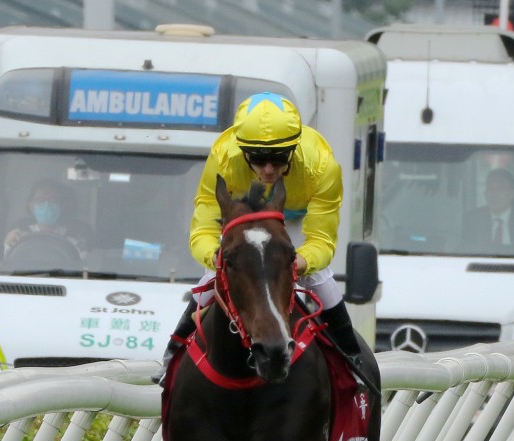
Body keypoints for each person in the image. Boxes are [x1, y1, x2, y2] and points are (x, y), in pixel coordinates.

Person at [153, 92, 376, 386]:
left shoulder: (323, 165)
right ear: (243, 151)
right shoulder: (223, 157)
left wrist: (300, 261)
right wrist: (217, 257)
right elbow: (203, 227)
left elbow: (322, 239)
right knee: (212, 276)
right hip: (244, 220)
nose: (268, 169)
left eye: (278, 158)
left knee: (320, 276)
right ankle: (172, 356)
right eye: (258, 159)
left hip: (293, 219)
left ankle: (352, 359)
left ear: (293, 149)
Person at [462, 167, 514, 256]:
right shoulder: (473, 219)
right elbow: (465, 251)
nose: (494, 194)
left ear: (512, 194)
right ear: (485, 193)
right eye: (490, 188)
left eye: (500, 189)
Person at [3, 179, 92, 258]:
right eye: (40, 200)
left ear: (62, 206)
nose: (47, 205)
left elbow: (81, 265)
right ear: (30, 205)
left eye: (53, 200)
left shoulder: (74, 237)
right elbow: (8, 262)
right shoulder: (19, 234)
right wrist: (8, 244)